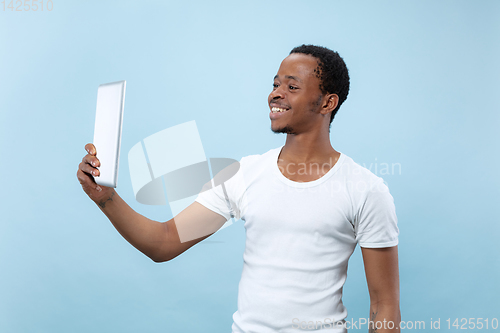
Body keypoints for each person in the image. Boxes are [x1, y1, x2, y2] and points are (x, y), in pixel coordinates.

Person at [77, 44, 400, 332]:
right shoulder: (243, 174)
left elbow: (383, 306)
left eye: (292, 86)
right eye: (275, 84)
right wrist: (106, 198)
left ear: (328, 102)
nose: (275, 94)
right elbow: (164, 243)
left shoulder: (365, 189)